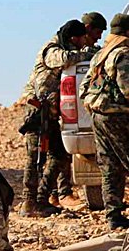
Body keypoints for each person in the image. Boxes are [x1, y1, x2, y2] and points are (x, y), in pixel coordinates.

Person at [19, 19, 94, 217]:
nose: (84, 43)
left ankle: (41, 199)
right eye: (82, 39)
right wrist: (89, 54)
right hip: (36, 112)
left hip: (49, 113)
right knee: (34, 158)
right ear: (74, 38)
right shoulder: (52, 49)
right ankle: (29, 203)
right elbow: (64, 59)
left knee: (59, 155)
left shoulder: (63, 46)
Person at [50, 12, 108, 209]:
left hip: (60, 108)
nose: (99, 37)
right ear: (87, 30)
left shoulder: (85, 50)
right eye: (98, 32)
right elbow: (64, 60)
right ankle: (49, 196)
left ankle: (56, 194)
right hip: (45, 106)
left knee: (58, 154)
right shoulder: (57, 48)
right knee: (54, 155)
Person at [81, 13, 129, 230]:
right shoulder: (123, 55)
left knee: (110, 165)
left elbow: (83, 88)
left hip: (98, 116)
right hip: (117, 116)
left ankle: (114, 216)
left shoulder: (100, 55)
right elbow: (127, 89)